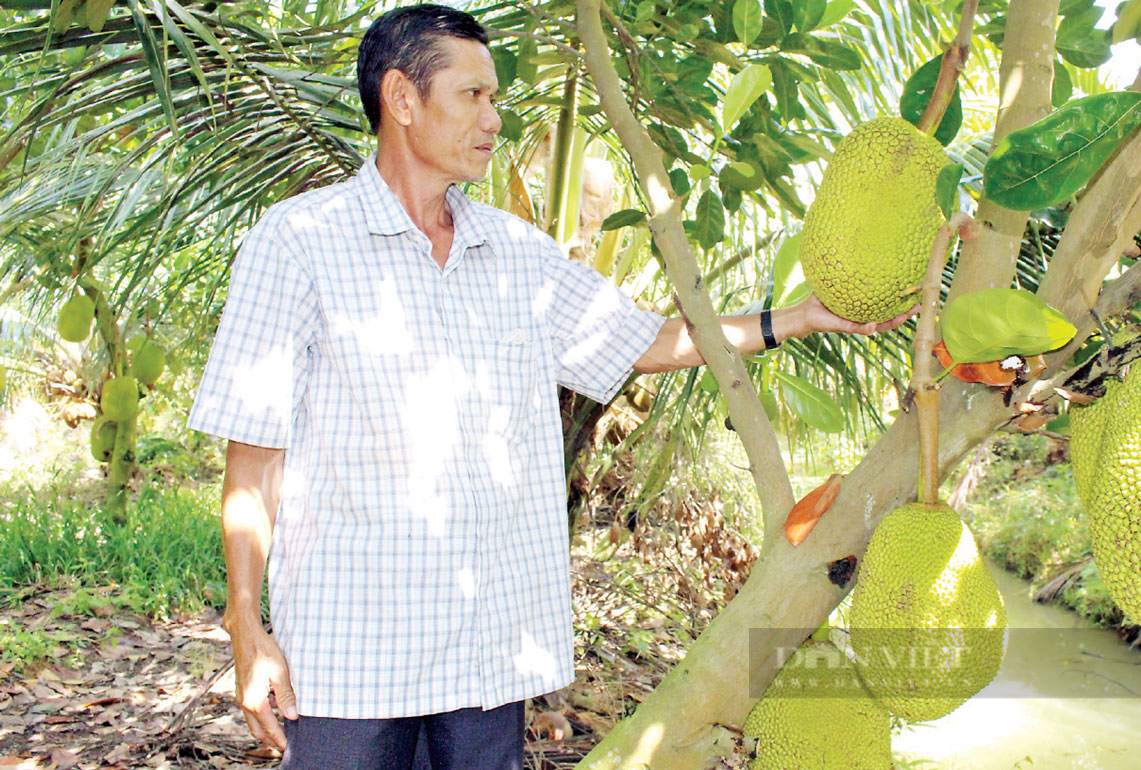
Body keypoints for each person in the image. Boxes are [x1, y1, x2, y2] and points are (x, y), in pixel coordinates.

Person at [186, 5, 911, 769]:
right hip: (350, 658)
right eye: (474, 96)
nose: (494, 120)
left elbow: (649, 340)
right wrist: (246, 626)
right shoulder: (297, 243)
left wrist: (796, 317)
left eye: (495, 99)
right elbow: (255, 455)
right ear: (402, 99)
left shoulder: (516, 254)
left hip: (485, 654)